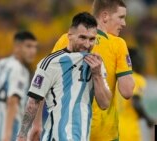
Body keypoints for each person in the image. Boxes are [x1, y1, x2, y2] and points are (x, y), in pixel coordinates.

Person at [17, 12, 111, 141]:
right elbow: (34, 101)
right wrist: (22, 135)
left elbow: (105, 103)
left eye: (92, 39)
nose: (87, 44)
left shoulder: (96, 63)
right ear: (70, 35)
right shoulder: (51, 63)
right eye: (82, 37)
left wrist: (97, 75)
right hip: (58, 135)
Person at [49, 0, 135, 141]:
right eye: (121, 17)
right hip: (104, 133)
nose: (124, 23)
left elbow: (46, 80)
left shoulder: (66, 39)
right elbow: (127, 91)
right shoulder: (117, 44)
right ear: (105, 16)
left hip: (70, 130)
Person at [0, 31, 38, 141]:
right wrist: (7, 135)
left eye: (35, 47)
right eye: (28, 46)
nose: (33, 51)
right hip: (10, 130)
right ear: (17, 47)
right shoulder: (20, 70)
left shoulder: (0, 64)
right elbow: (12, 101)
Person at [117, 48, 155, 141]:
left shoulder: (118, 77)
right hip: (129, 130)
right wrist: (148, 119)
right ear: (132, 61)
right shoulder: (137, 79)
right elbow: (136, 102)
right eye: (139, 59)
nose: (142, 62)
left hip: (114, 129)